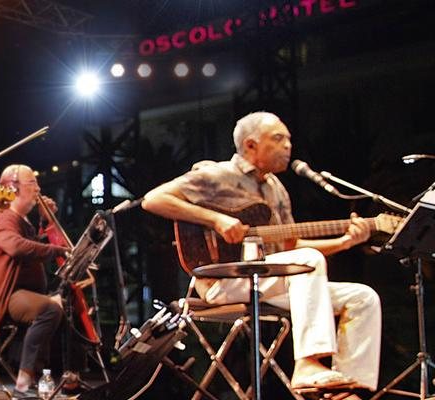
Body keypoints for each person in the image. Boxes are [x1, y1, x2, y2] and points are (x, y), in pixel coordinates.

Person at [141, 111, 381, 396]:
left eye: (289, 139)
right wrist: (215, 219)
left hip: (266, 280)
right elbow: (153, 200)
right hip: (223, 280)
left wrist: (344, 242)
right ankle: (307, 364)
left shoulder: (276, 189)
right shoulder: (217, 175)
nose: (288, 146)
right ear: (251, 145)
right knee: (306, 264)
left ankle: (343, 391)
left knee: (362, 298)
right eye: (279, 138)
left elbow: (291, 248)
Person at [0, 164, 77, 398]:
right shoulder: (3, 216)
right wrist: (55, 249)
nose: (38, 188)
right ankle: (24, 380)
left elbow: (32, 243)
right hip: (3, 297)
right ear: (12, 187)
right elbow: (15, 245)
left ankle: (67, 376)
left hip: (20, 295)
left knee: (65, 304)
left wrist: (44, 221)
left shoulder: (20, 219)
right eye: (32, 183)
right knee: (49, 309)